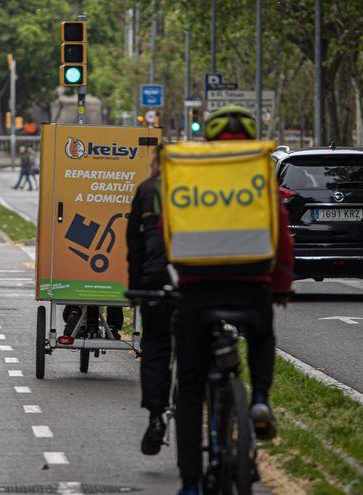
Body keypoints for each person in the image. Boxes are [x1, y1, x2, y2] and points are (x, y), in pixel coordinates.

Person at [172, 106, 294, 494]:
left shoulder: (189, 172)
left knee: (189, 391)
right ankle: (258, 397)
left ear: (209, 137)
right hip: (251, 286)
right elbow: (282, 236)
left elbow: (167, 227)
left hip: (197, 290)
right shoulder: (259, 175)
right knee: (261, 334)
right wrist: (281, 286)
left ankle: (191, 483)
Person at [126, 144, 172, 456]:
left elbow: (135, 245)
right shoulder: (201, 188)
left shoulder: (147, 189)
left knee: (155, 347)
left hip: (157, 279)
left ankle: (157, 416)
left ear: (155, 163)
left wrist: (135, 289)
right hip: (202, 278)